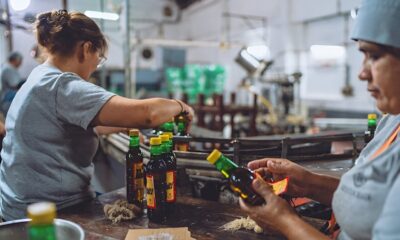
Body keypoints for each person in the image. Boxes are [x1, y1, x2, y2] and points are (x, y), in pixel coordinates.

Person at [0, 10, 194, 221]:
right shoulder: (62, 85)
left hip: (17, 207)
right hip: (50, 214)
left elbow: (72, 124)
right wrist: (180, 106)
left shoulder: (40, 77)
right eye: (98, 58)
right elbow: (147, 114)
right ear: (85, 49)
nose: (95, 66)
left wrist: (123, 124)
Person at [240, 0, 400, 239]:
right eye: (363, 56)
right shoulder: (392, 121)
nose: (362, 73)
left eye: (375, 56)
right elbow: (373, 199)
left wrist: (285, 222)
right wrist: (307, 183)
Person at [0, 51, 23, 116]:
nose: (21, 63)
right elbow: (15, 84)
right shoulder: (8, 69)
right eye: (20, 61)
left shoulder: (5, 66)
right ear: (14, 60)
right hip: (6, 99)